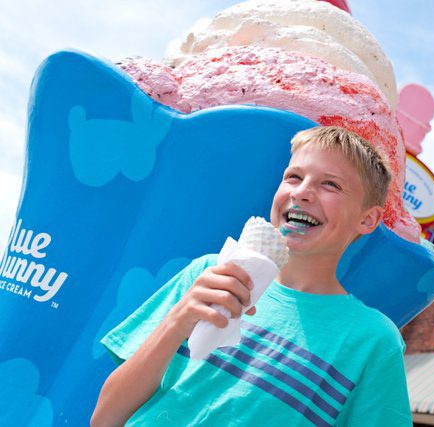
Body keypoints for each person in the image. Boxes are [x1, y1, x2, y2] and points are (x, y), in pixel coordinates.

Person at [91, 126, 413, 426]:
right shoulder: (206, 273)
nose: (301, 193)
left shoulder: (373, 340)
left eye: (330, 184)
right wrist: (177, 321)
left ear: (368, 220)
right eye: (293, 177)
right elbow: (105, 417)